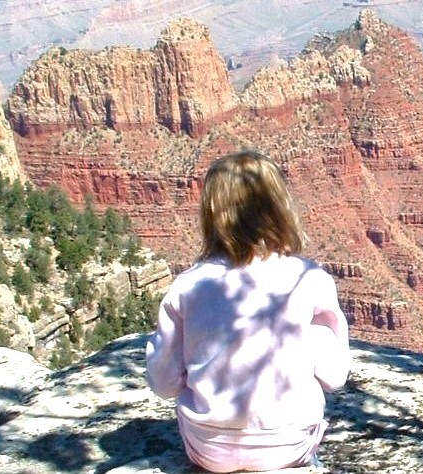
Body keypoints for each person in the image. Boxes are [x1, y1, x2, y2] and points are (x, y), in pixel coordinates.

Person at [145, 150, 350, 472]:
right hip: (289, 444)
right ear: (280, 209)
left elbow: (163, 383)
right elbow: (335, 376)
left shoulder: (187, 286)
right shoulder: (309, 280)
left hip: (208, 448)